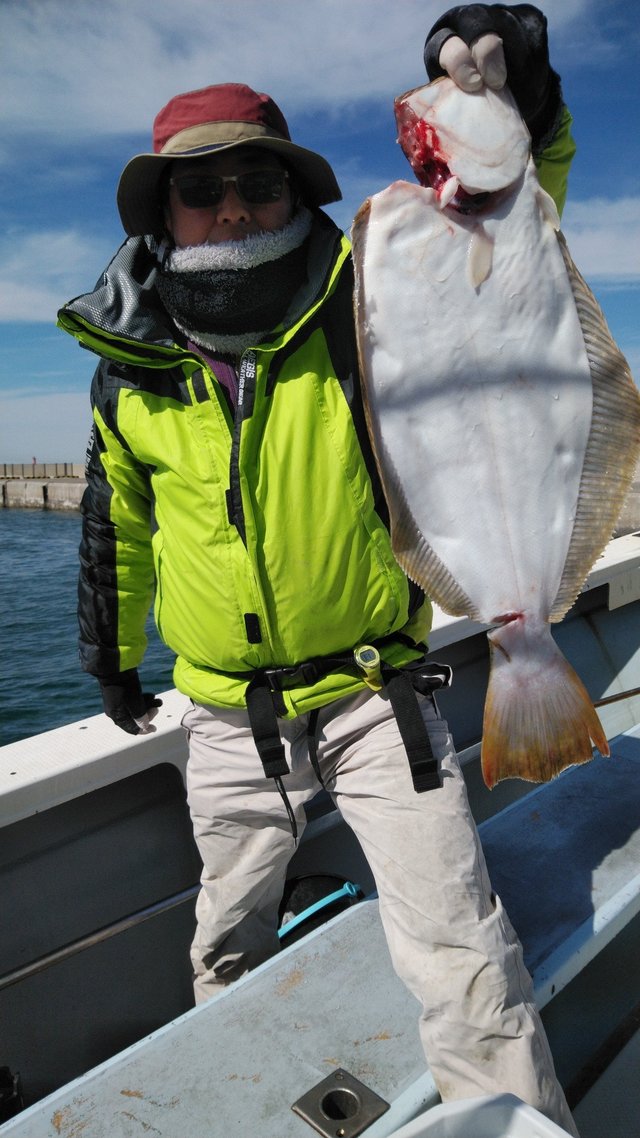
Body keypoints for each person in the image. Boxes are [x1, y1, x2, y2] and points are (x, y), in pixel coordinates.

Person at [59, 5, 579, 1133]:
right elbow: (120, 524)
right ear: (165, 215)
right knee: (225, 940)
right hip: (220, 720)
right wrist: (110, 659)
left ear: (297, 194)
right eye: (205, 190)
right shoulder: (130, 373)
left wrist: (516, 101)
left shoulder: (375, 299)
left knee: (464, 949)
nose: (235, 205)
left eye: (260, 181)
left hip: (374, 698)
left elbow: (513, 238)